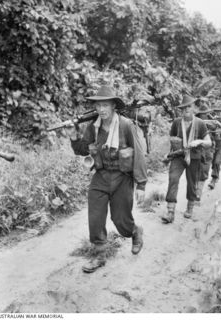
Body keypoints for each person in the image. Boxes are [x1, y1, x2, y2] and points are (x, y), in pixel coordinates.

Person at [66, 86, 148, 273]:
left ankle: (134, 231)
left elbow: (139, 155)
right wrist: (72, 134)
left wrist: (141, 184)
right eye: (98, 105)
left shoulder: (126, 125)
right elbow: (82, 149)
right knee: (95, 217)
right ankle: (99, 255)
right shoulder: (93, 127)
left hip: (122, 178)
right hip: (101, 176)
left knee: (121, 221)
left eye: (105, 105)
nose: (101, 110)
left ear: (113, 106)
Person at [162, 94, 211, 223]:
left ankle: (190, 207)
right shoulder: (177, 123)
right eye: (183, 108)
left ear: (194, 107)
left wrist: (199, 141)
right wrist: (168, 156)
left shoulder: (200, 124)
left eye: (188, 107)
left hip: (194, 157)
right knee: (173, 179)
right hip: (178, 156)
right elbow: (173, 141)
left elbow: (209, 143)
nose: (186, 110)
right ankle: (170, 211)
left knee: (192, 183)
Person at [194, 99, 216, 203]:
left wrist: (210, 119)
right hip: (197, 150)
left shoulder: (212, 123)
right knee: (194, 172)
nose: (204, 115)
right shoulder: (195, 122)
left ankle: (198, 194)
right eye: (202, 114)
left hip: (207, 150)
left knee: (204, 172)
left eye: (205, 114)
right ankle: (194, 192)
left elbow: (215, 127)